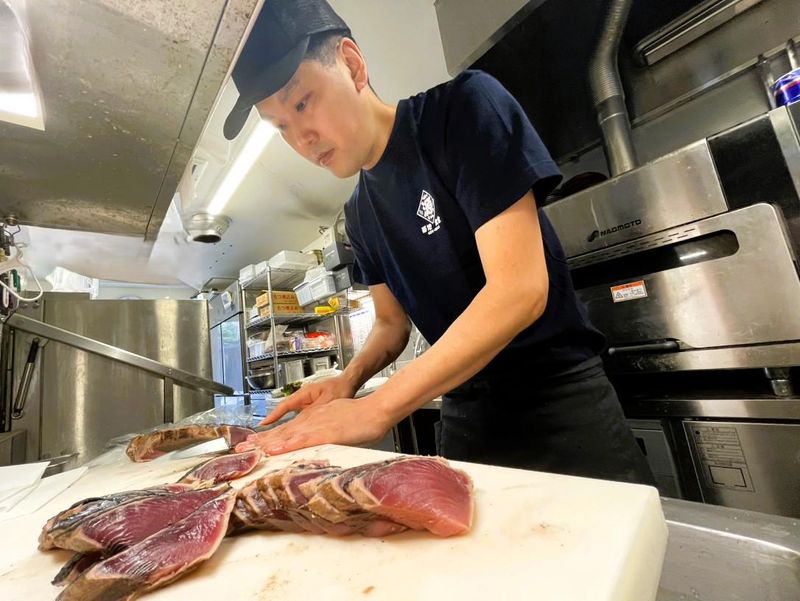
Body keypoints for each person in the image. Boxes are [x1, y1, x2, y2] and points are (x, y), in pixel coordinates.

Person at [225, 0, 655, 485]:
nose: (301, 138)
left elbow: (520, 289)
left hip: (560, 402)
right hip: (466, 418)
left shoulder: (462, 110)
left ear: (352, 64)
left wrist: (379, 407)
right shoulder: (358, 216)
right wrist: (347, 382)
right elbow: (391, 325)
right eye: (280, 126)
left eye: (303, 103)